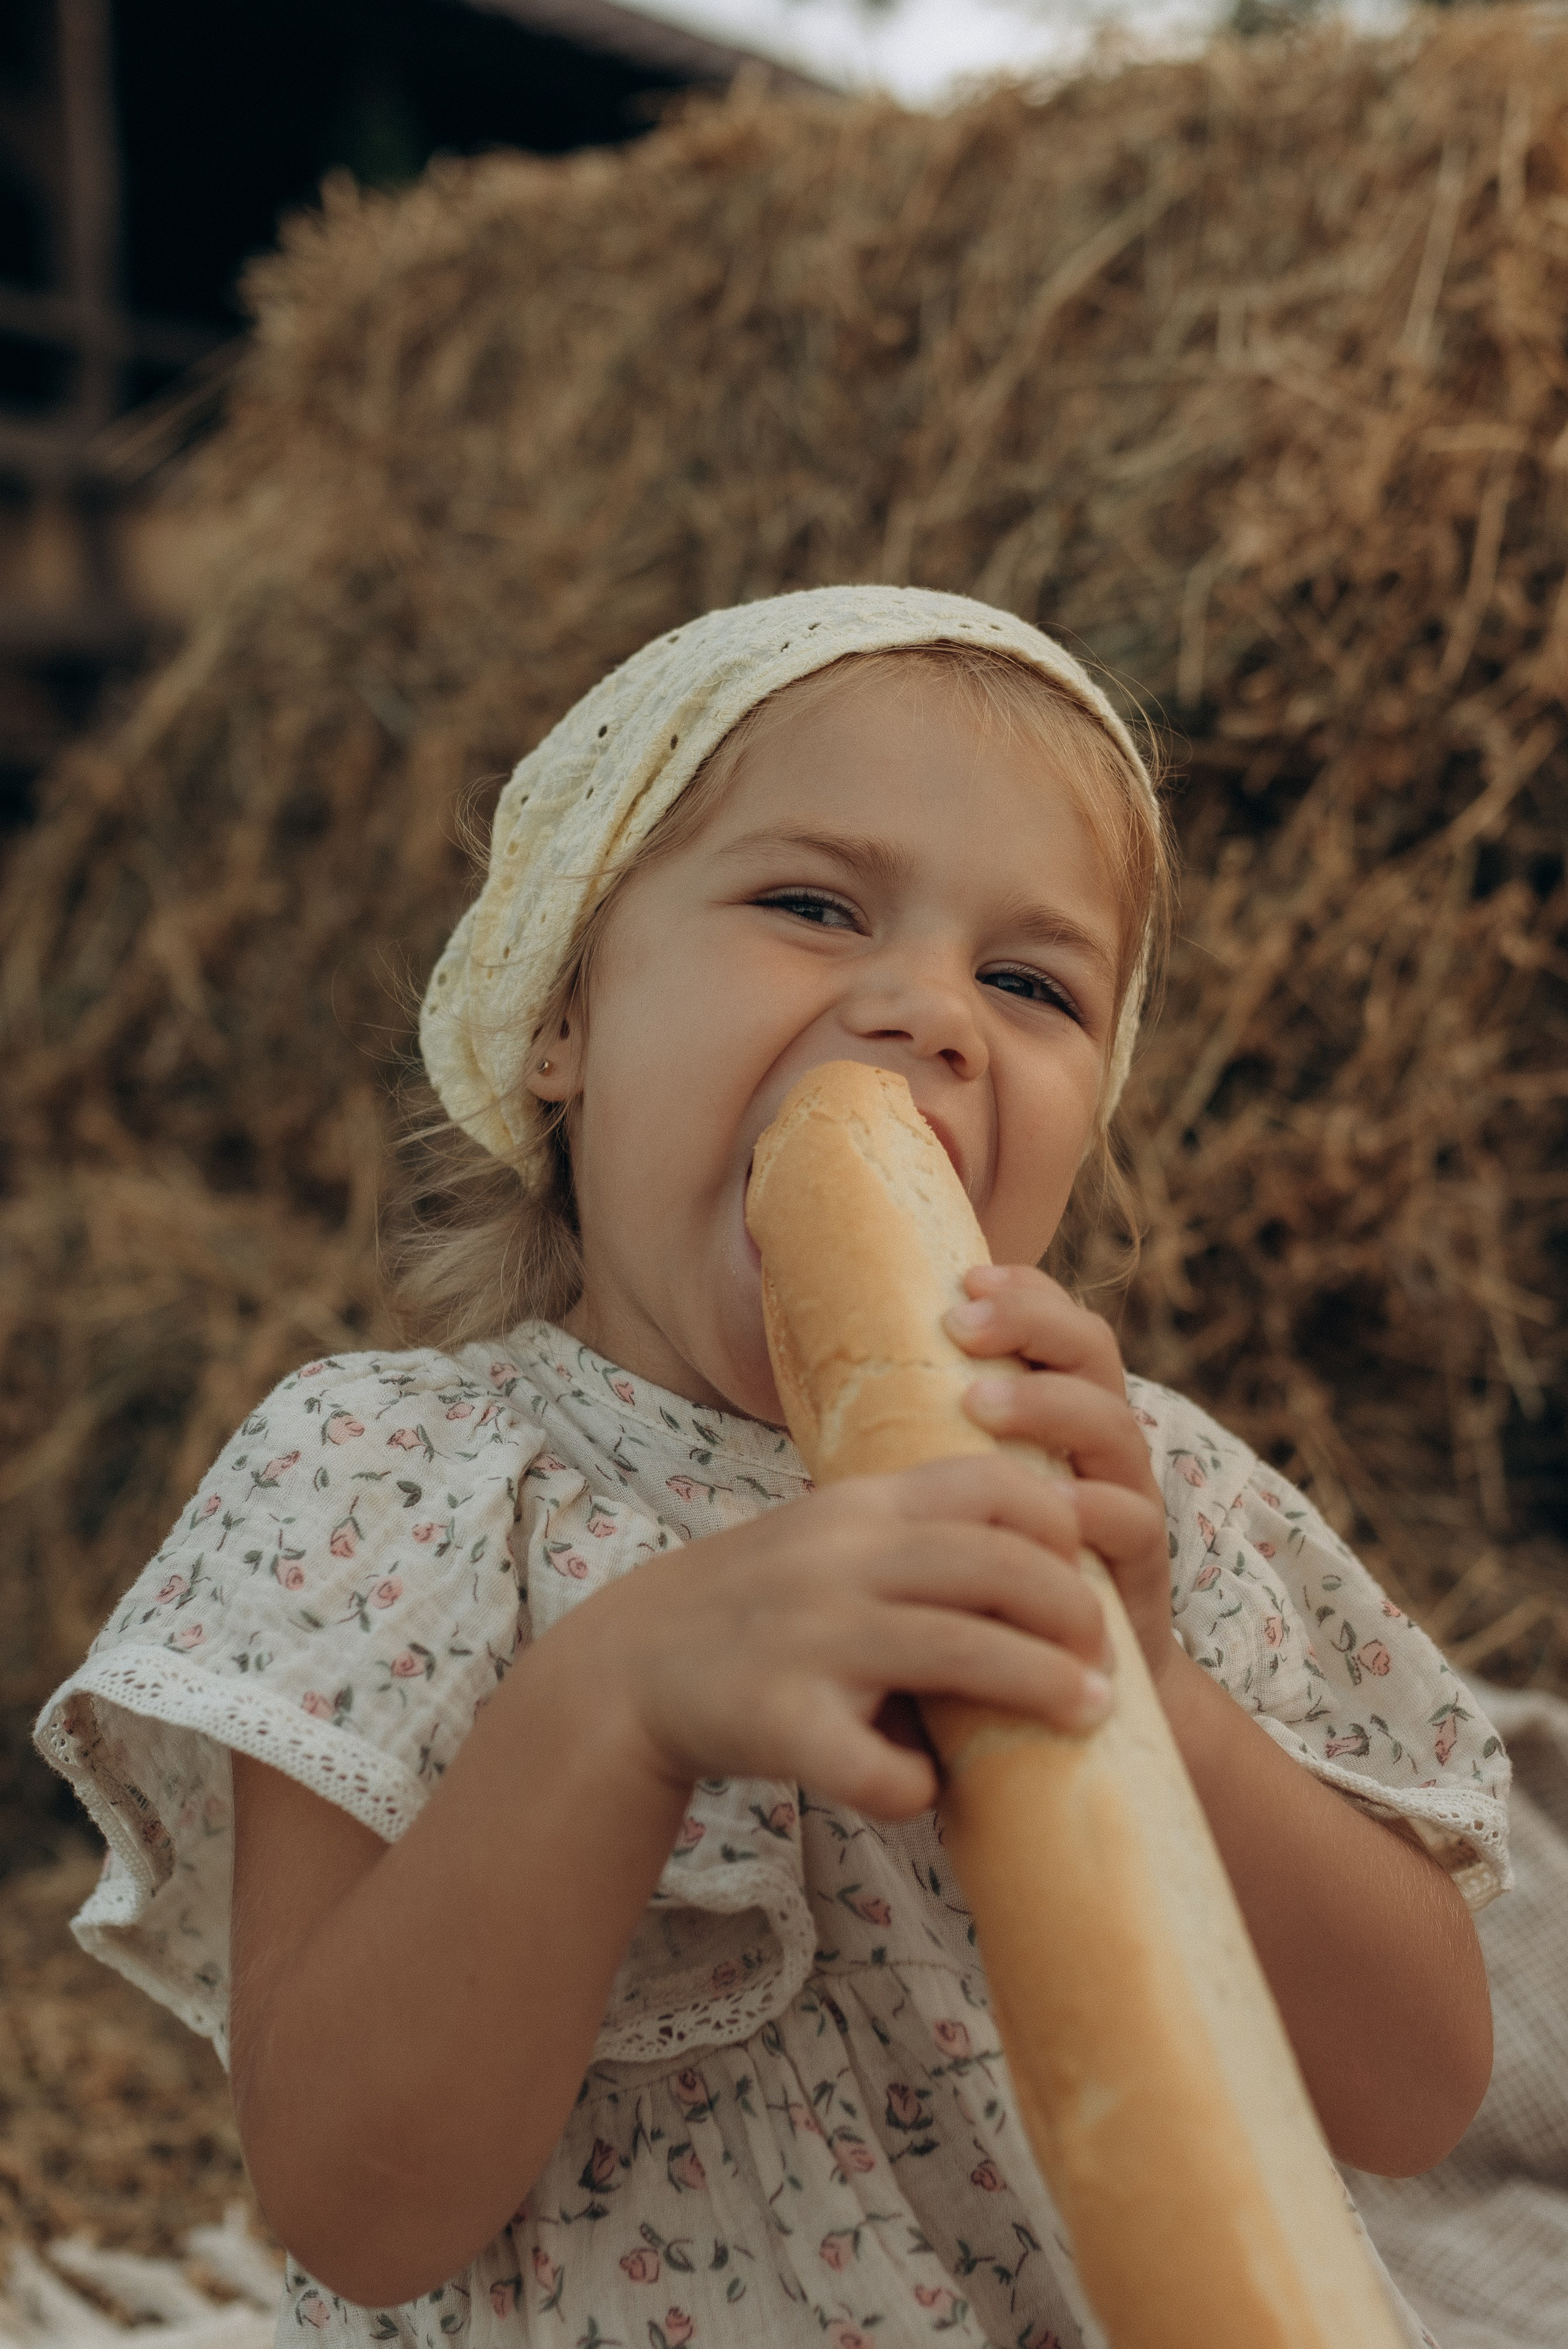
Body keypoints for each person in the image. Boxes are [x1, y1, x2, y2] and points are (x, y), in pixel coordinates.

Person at [39, 587, 1508, 2349]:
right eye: (814, 905)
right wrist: (614, 1706)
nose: (929, 1013)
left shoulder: (1141, 1489)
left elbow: (1421, 2093)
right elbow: (354, 2199)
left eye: (1031, 983)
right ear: (560, 1017)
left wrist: (1161, 1692)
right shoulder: (397, 1479)